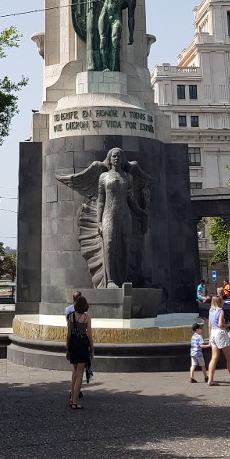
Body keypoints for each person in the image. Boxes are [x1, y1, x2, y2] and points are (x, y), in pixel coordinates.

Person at [97, 148, 148, 288]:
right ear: (110, 158)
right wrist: (99, 222)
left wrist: (141, 210)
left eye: (119, 156)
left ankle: (124, 279)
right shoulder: (104, 177)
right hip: (108, 215)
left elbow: (131, 198)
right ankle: (110, 280)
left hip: (125, 215)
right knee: (110, 245)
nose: (116, 158)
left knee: (125, 246)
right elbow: (101, 201)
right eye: (114, 156)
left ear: (123, 158)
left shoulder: (128, 177)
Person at [206, 295, 230, 386]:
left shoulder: (210, 311)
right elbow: (220, 325)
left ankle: (210, 380)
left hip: (213, 333)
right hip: (220, 334)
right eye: (222, 300)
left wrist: (209, 338)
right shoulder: (220, 311)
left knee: (214, 357)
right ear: (220, 302)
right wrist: (229, 324)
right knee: (229, 358)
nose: (223, 302)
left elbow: (209, 326)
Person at [66, 294, 93, 409]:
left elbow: (68, 334)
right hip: (82, 344)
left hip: (72, 343)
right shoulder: (87, 318)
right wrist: (92, 349)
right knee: (80, 373)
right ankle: (75, 402)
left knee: (74, 371)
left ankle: (71, 398)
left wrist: (67, 348)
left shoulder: (70, 317)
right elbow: (90, 335)